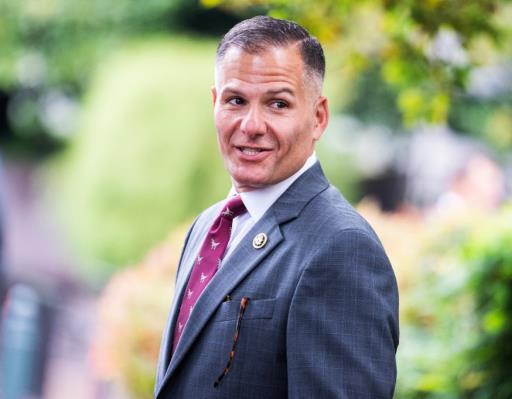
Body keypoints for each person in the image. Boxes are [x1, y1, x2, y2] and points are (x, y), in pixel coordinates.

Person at [154, 16, 399, 399]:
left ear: (318, 117)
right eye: (236, 100)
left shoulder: (342, 248)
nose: (252, 125)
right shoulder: (207, 226)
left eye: (277, 104)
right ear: (215, 103)